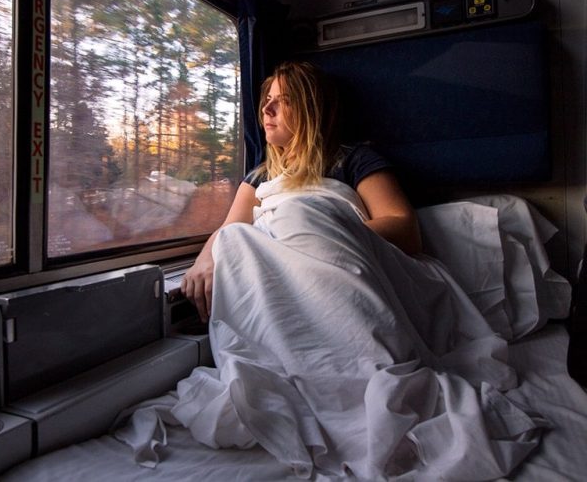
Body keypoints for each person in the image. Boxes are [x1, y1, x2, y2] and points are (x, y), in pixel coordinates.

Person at [180, 61, 422, 322]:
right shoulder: (260, 176)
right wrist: (205, 260)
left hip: (337, 279)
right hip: (280, 288)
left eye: (283, 101)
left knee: (296, 213)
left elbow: (405, 228)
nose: (266, 108)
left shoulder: (353, 161)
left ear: (311, 110)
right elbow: (229, 231)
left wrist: (315, 234)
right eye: (268, 99)